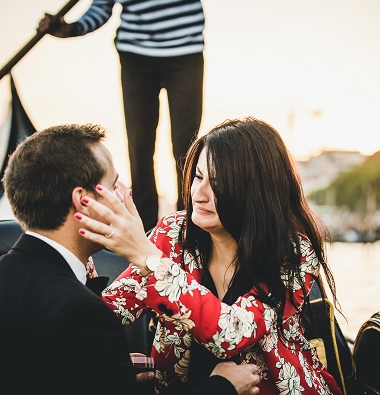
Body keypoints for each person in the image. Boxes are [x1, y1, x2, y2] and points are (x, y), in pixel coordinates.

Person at [0, 123, 260, 395]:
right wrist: (222, 387)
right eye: (112, 185)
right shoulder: (81, 313)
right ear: (83, 201)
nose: (125, 194)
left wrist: (108, 370)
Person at [75, 117, 344, 394]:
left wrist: (148, 259)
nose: (198, 194)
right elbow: (107, 312)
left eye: (217, 184)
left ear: (254, 192)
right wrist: (81, 247)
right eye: (198, 177)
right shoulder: (172, 232)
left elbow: (232, 334)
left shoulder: (294, 253)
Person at [38, 0, 205, 231]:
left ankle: (187, 225)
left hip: (186, 51)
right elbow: (101, 6)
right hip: (136, 56)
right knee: (139, 146)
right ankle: (146, 231)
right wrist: (71, 29)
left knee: (186, 148)